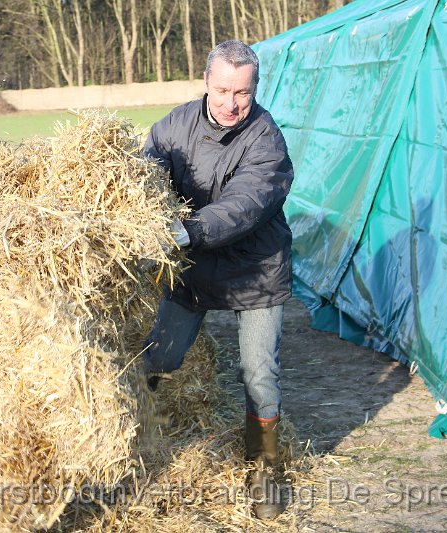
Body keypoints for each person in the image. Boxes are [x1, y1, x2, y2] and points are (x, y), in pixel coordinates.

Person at [143, 39, 294, 519]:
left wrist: (189, 230)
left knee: (258, 371)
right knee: (160, 355)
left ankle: (265, 469)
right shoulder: (174, 126)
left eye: (243, 94)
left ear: (255, 89)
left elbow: (247, 203)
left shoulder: (266, 139)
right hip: (193, 268)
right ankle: (145, 439)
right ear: (206, 82)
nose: (232, 104)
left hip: (255, 269)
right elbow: (148, 170)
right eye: (223, 90)